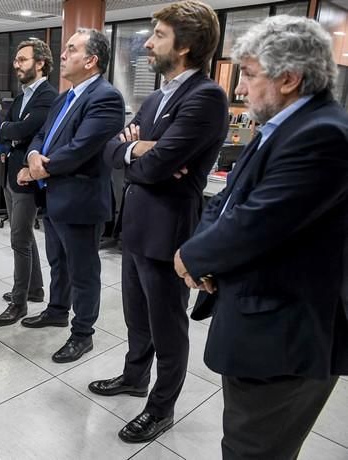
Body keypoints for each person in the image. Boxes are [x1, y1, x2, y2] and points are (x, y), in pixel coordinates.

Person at [175, 15, 348, 459]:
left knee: (254, 449)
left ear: (288, 78)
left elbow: (258, 221)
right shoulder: (282, 125)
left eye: (249, 75)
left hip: (286, 337)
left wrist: (193, 257)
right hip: (258, 319)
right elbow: (225, 201)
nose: (240, 88)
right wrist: (207, 254)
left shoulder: (324, 134)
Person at [97, 0, 228, 443]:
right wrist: (139, 149)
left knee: (167, 325)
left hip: (169, 229)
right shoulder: (157, 95)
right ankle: (134, 377)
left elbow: (156, 168)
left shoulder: (206, 97)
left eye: (158, 35)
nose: (148, 43)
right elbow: (114, 151)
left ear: (186, 46)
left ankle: (161, 407)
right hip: (135, 223)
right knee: (136, 316)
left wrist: (143, 154)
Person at [17, 29, 124, 363]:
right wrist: (33, 156)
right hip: (53, 196)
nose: (62, 55)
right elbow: (42, 136)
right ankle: (57, 310)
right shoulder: (65, 97)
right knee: (57, 262)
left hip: (80, 199)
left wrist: (38, 169)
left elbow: (81, 149)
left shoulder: (106, 97)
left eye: (71, 49)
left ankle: (83, 334)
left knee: (83, 272)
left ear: (91, 60)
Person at [0, 39, 57, 326]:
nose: (16, 64)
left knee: (18, 238)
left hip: (29, 178)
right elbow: (2, 130)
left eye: (22, 59)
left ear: (40, 63)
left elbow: (28, 128)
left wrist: (11, 131)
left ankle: (18, 304)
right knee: (26, 236)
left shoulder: (48, 96)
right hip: (10, 174)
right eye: (16, 60)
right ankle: (34, 289)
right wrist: (9, 135)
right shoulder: (21, 97)